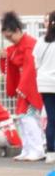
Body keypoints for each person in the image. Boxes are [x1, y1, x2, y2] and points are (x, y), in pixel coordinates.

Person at [1, 11, 45, 162]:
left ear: (18, 31)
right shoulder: (17, 47)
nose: (9, 40)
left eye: (10, 36)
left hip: (29, 87)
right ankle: (28, 149)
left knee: (28, 118)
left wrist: (23, 87)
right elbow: (12, 67)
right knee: (22, 118)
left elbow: (30, 69)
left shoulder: (29, 45)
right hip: (23, 86)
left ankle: (37, 149)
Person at [33, 11, 55, 163]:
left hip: (45, 83)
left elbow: (36, 64)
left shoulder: (41, 41)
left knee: (52, 118)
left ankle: (51, 153)